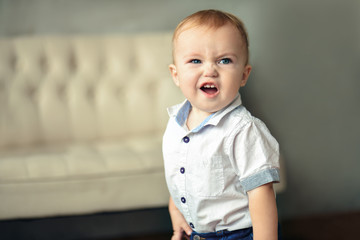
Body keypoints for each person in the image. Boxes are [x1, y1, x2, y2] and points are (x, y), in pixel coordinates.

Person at [162, 9, 281, 240]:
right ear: (175, 75)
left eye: (224, 60)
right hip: (197, 233)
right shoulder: (175, 124)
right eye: (195, 60)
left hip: (238, 234)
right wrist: (176, 210)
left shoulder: (244, 131)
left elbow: (261, 195)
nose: (210, 70)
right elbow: (180, 171)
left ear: (244, 75)